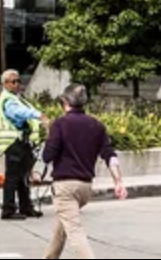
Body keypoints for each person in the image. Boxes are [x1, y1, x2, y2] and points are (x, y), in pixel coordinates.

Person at [41, 84, 126, 260]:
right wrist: (118, 182)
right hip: (85, 187)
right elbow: (110, 156)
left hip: (65, 186)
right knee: (62, 227)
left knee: (74, 231)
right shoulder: (97, 126)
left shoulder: (60, 124)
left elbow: (48, 156)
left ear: (65, 102)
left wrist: (49, 134)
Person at [0, 69, 45, 220]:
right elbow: (18, 113)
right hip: (12, 142)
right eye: (13, 82)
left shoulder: (17, 98)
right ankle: (8, 210)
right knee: (13, 177)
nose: (17, 84)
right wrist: (38, 115)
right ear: (4, 84)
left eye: (18, 81)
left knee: (24, 177)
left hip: (23, 142)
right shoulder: (8, 100)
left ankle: (26, 207)